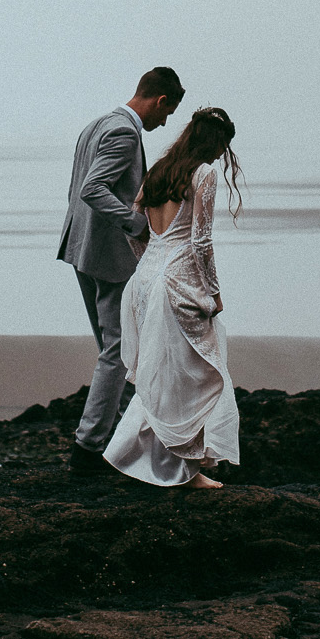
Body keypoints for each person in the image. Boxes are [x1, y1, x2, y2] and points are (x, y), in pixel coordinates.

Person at [103, 106, 242, 489]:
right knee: (194, 375)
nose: (220, 155)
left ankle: (165, 465)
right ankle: (183, 472)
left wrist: (148, 264)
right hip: (176, 283)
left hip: (145, 280)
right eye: (222, 145)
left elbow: (135, 226)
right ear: (215, 142)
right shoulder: (203, 174)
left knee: (159, 374)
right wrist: (213, 293)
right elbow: (200, 241)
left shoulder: (158, 171)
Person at [58, 66, 184, 474]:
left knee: (110, 351)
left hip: (80, 249)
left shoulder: (95, 124)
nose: (163, 123)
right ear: (160, 100)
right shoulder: (125, 132)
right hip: (108, 256)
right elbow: (92, 189)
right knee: (117, 352)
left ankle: (106, 439)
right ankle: (88, 449)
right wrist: (137, 224)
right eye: (166, 114)